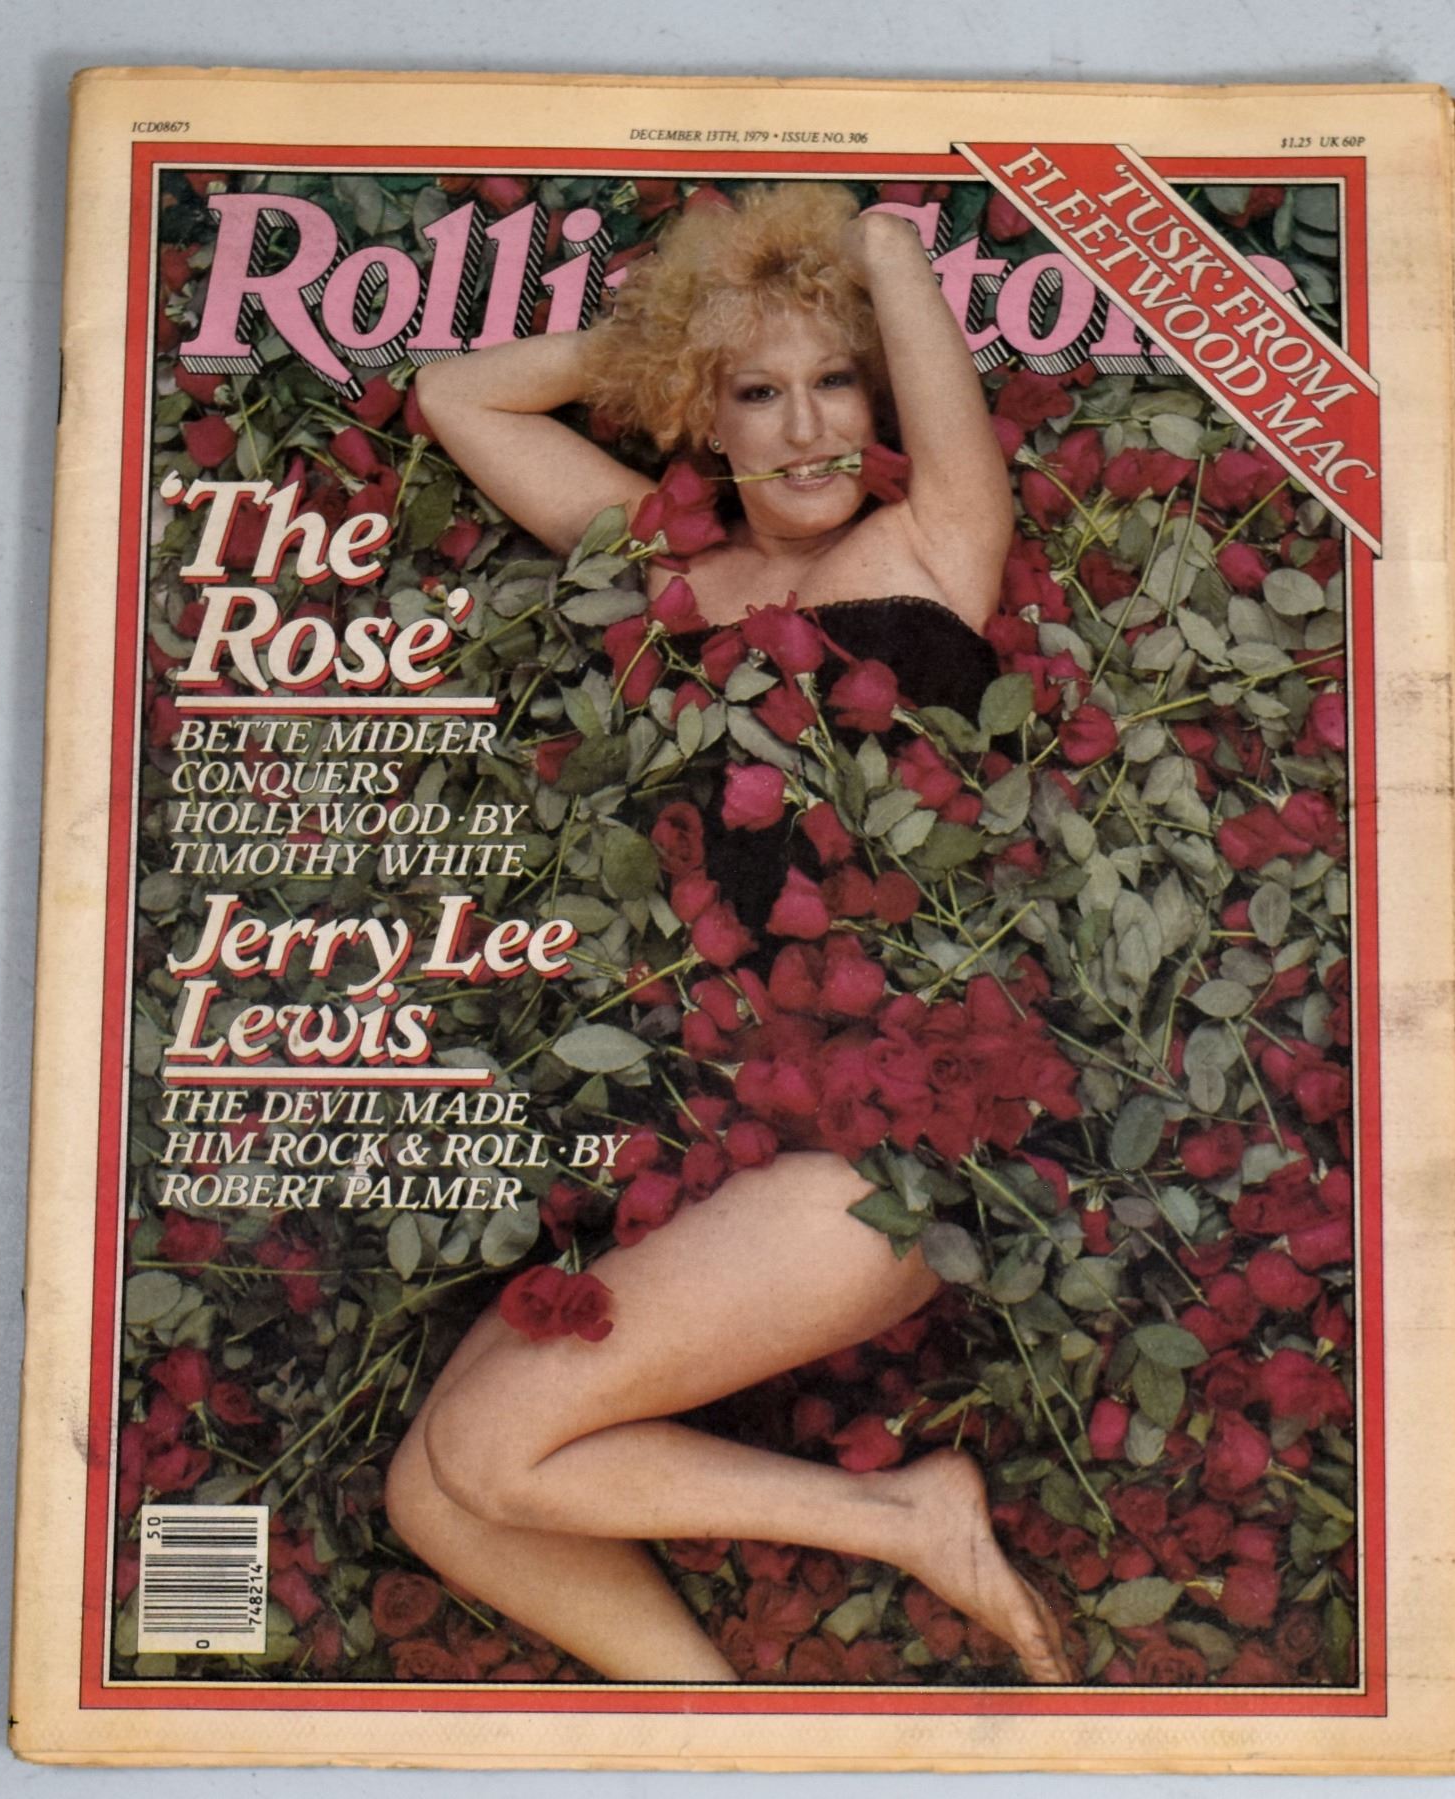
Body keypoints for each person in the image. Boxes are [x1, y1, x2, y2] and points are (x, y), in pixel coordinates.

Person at [385, 183, 1074, 1686]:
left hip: (879, 1155)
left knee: (492, 1449)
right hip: (728, 1130)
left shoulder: (932, 543)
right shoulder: (673, 578)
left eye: (835, 382)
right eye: (756, 395)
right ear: (705, 416)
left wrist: (866, 251)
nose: (805, 425)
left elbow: (900, 310)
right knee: (439, 1497)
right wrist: (677, 337)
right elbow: (457, 395)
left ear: (881, 394)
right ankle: (719, 1745)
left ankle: (905, 1517)